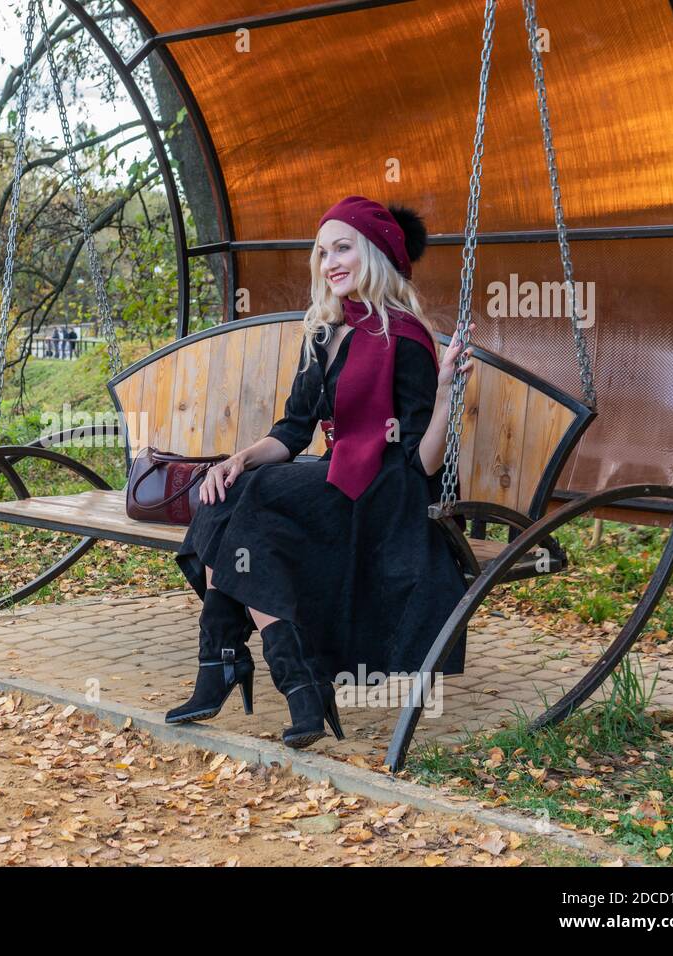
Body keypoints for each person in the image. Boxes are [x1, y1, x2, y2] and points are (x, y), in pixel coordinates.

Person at [166, 195, 474, 749]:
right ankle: (291, 686)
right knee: (228, 495)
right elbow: (292, 430)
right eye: (322, 251)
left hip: (386, 492)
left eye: (343, 248)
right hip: (333, 478)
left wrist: (449, 392)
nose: (329, 261)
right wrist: (236, 460)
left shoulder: (405, 338)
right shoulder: (322, 332)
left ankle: (234, 666)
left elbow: (425, 460)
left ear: (375, 253)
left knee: (254, 502)